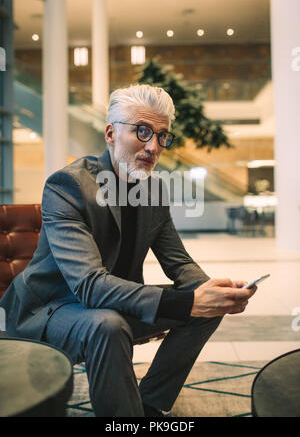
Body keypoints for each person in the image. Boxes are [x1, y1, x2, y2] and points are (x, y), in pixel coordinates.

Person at [0, 84, 256, 417]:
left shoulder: (153, 191)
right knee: (108, 325)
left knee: (206, 309)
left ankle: (148, 405)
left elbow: (179, 263)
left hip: (113, 306)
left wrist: (212, 292)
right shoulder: (68, 186)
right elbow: (89, 285)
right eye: (142, 131)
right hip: (50, 311)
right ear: (110, 132)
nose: (153, 147)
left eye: (162, 136)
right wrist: (188, 301)